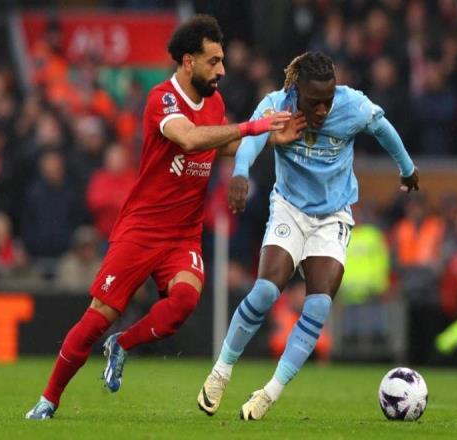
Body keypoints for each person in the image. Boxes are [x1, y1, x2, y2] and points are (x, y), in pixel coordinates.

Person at [25, 14, 298, 420]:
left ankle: (122, 344)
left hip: (183, 233)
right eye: (214, 61)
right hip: (142, 228)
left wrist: (271, 138)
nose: (222, 70)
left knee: (184, 301)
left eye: (223, 60)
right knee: (98, 317)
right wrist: (253, 125)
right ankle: (48, 400)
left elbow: (219, 144)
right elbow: (188, 137)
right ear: (188, 62)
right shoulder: (162, 99)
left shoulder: (215, 102)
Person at [197, 51, 419, 421]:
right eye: (314, 102)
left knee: (317, 307)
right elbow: (251, 138)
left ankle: (269, 393)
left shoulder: (352, 105)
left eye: (327, 101)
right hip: (290, 208)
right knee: (265, 291)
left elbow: (383, 128)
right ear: (296, 90)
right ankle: (221, 372)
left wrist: (407, 169)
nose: (322, 110)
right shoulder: (276, 105)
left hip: (333, 216)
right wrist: (240, 172)